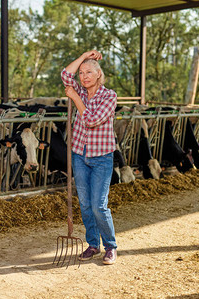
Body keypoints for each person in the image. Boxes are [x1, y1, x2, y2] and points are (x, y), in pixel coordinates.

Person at [61, 50, 117, 265]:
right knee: (85, 204)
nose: (83, 76)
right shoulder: (80, 90)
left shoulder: (109, 96)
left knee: (98, 205)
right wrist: (84, 55)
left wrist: (74, 98)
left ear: (98, 74)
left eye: (89, 72)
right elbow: (66, 75)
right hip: (79, 155)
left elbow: (91, 120)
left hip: (102, 158)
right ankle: (93, 244)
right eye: (82, 72)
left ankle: (110, 246)